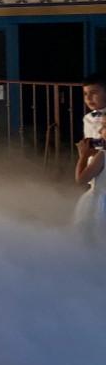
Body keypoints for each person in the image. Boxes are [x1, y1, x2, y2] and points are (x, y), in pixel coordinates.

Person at [73, 71, 106, 242]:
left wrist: (86, 157)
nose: (89, 98)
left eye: (94, 92)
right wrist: (85, 153)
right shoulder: (88, 118)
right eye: (86, 94)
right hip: (95, 169)